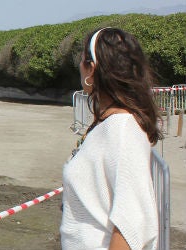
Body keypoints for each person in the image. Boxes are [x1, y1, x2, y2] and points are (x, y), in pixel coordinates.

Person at [60, 27, 161, 250]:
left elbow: (132, 224)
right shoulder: (107, 124)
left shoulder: (123, 130)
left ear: (91, 69)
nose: (79, 65)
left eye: (82, 59)